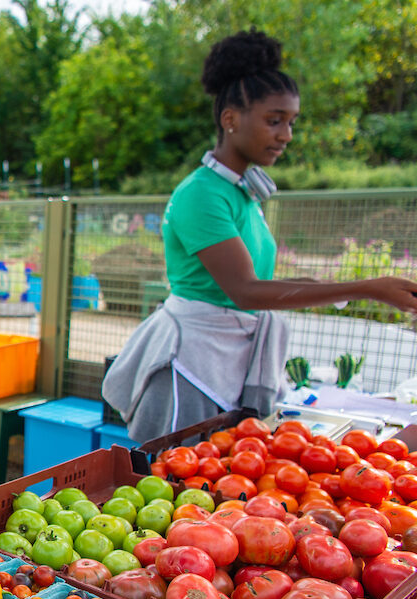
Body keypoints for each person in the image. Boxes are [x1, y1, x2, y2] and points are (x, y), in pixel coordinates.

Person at [102, 30, 417, 443]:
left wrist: (357, 291)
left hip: (229, 360)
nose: (286, 135)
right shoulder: (201, 194)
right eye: (274, 121)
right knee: (173, 480)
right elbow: (246, 291)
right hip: (192, 366)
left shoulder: (243, 195)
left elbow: (262, 285)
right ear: (230, 119)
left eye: (291, 122)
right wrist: (369, 289)